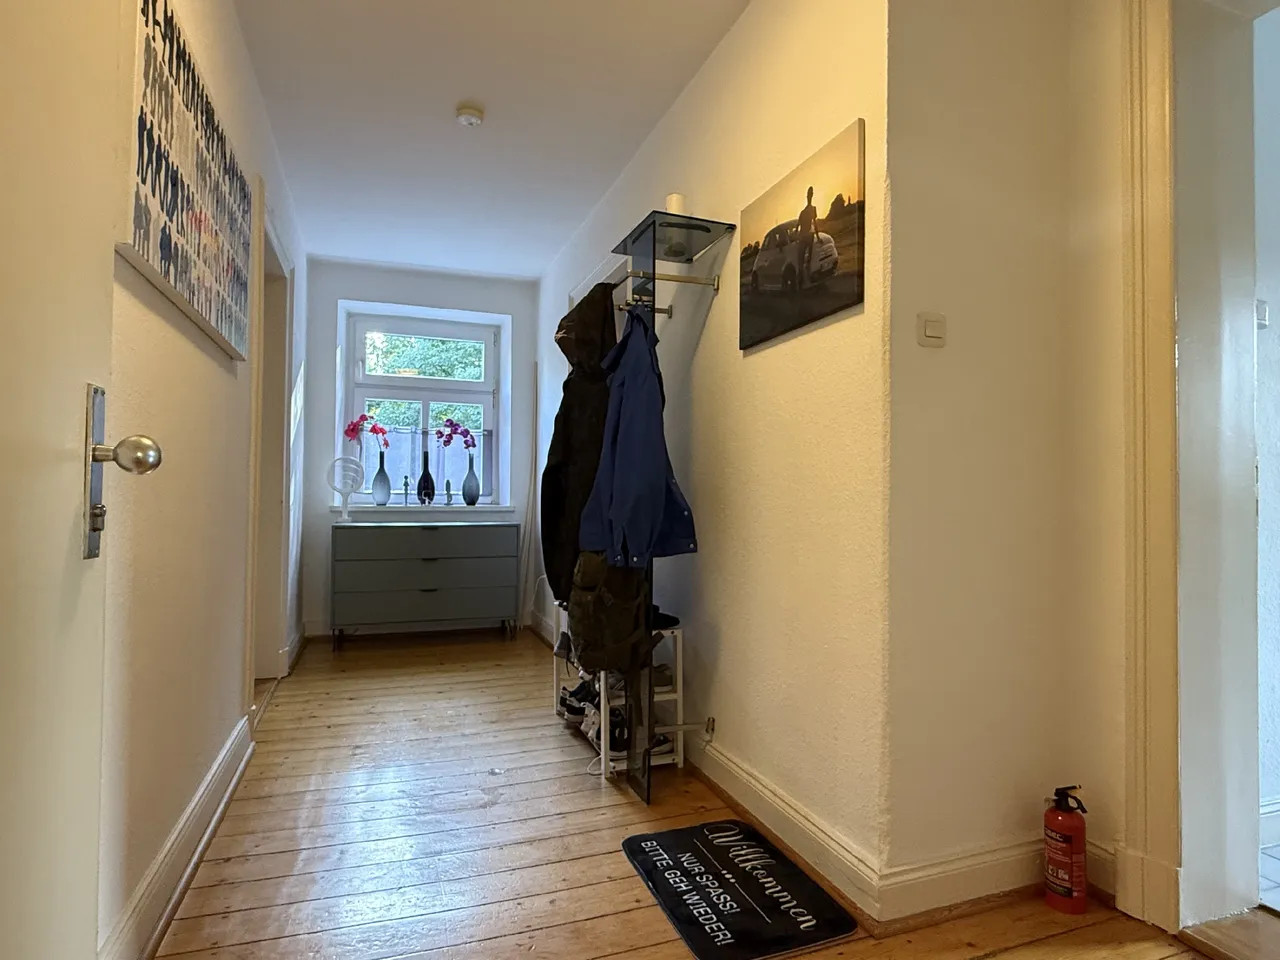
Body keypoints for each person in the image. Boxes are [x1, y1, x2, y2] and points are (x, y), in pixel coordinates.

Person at [797, 186, 818, 287]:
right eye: (809, 195)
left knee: (808, 259)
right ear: (807, 196)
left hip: (808, 236)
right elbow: (797, 226)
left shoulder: (813, 209)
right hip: (804, 236)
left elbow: (815, 223)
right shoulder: (803, 212)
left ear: (812, 196)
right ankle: (802, 281)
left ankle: (807, 280)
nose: (809, 196)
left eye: (811, 194)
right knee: (801, 260)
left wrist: (817, 236)